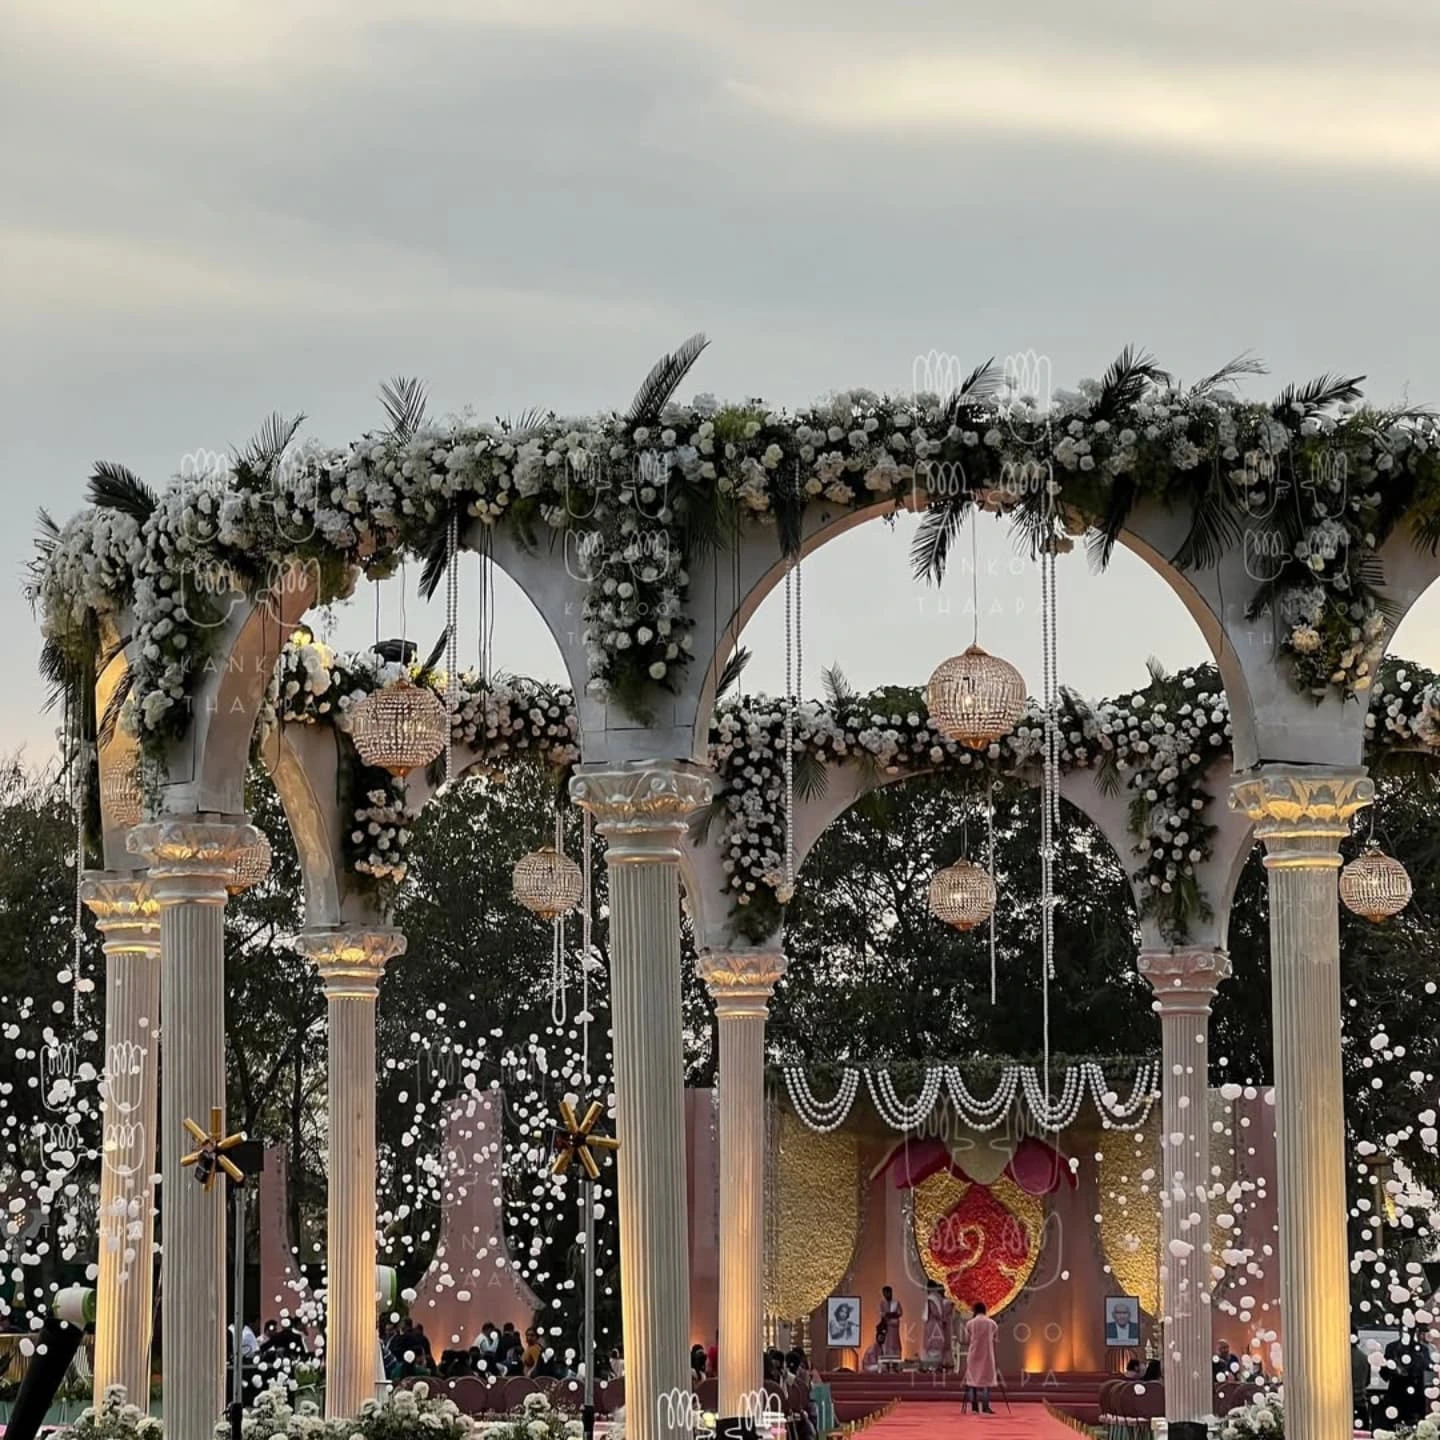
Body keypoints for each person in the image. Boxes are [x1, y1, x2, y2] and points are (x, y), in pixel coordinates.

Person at [1383, 1328, 1430, 1426]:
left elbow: (1384, 1374)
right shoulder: (1421, 1350)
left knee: (1397, 1427)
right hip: (1407, 1397)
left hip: (1402, 1396)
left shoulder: (1392, 1348)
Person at [964, 1302, 999, 1415]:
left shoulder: (970, 1323)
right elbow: (995, 1339)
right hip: (987, 1355)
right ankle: (985, 1406)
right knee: (986, 1382)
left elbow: (967, 1340)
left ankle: (974, 1407)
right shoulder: (992, 1323)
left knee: (972, 1381)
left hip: (973, 1355)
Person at [922, 1281, 953, 1371]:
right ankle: (936, 1365)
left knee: (933, 1344)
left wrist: (939, 1319)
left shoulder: (932, 1299)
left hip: (934, 1325)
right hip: (938, 1324)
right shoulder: (939, 1298)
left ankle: (933, 1366)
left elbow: (935, 1312)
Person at [879, 1286, 903, 1367]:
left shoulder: (896, 1302)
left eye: (887, 1293)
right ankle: (887, 1364)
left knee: (895, 1344)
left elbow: (899, 1313)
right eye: (884, 1293)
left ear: (891, 1292)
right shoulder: (882, 1303)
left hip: (894, 1327)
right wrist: (889, 1315)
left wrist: (890, 1314)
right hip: (886, 1327)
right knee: (887, 1344)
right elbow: (883, 1314)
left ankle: (896, 1364)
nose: (886, 1295)